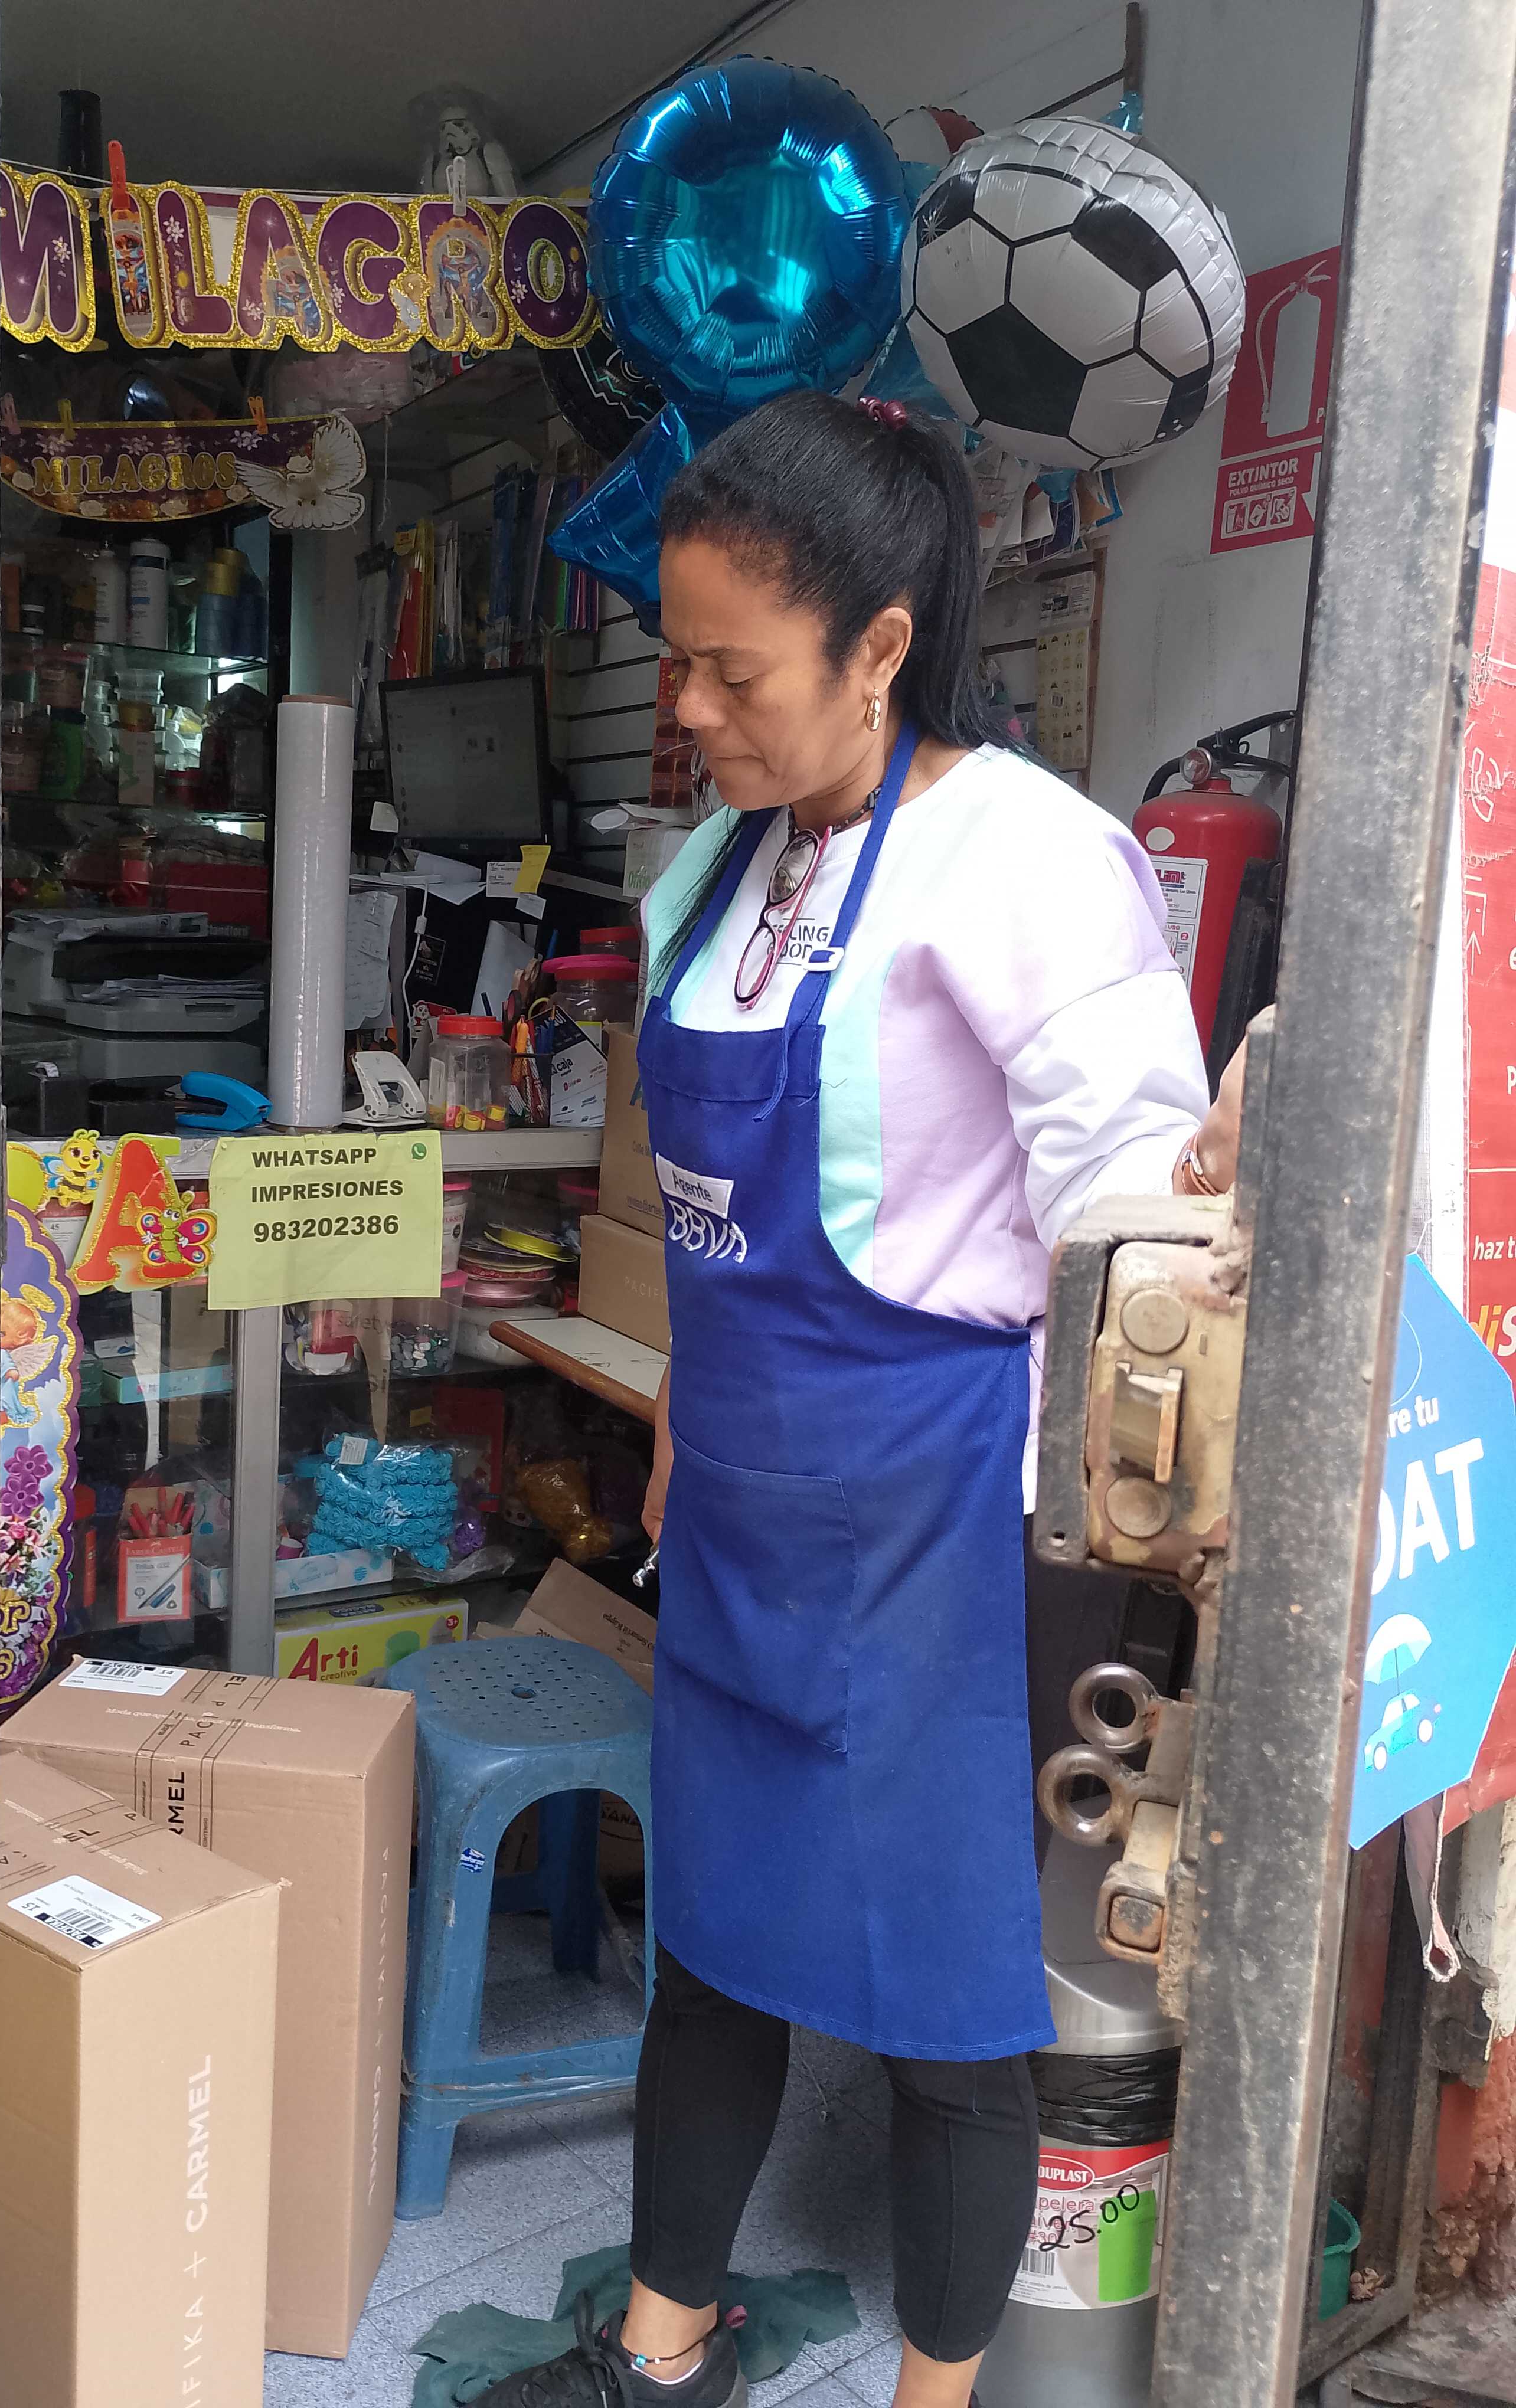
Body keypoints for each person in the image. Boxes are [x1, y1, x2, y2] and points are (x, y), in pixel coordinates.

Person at [480, 389, 1244, 2408]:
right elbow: (717, 1211)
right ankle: (665, 2348)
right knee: (717, 1938)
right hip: (742, 1495)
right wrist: (681, 1391)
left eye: (731, 669)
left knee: (944, 2014)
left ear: (881, 644)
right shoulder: (724, 874)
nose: (689, 708)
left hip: (937, 1525)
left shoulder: (1026, 863)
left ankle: (936, 2395)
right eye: (678, 660)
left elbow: (1131, 1246)